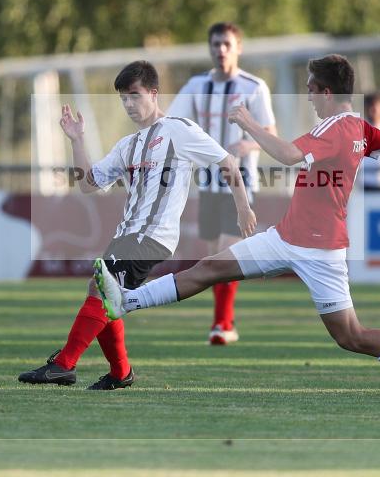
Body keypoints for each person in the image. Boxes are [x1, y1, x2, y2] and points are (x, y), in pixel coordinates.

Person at [95, 55, 380, 398]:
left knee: (351, 336)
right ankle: (126, 301)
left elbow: (289, 155)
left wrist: (248, 123)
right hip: (285, 238)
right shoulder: (359, 127)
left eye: (310, 89)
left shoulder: (336, 127)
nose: (308, 96)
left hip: (321, 252)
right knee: (209, 268)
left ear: (326, 92)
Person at [18, 61, 256, 390]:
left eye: (134, 95)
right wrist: (76, 140)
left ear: (153, 93)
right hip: (127, 234)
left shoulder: (178, 129)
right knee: (102, 293)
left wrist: (243, 208)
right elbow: (88, 184)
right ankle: (120, 373)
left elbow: (227, 161)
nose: (128, 104)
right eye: (123, 98)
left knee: (103, 292)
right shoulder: (127, 145)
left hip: (153, 235)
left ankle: (64, 365)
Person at [166, 22, 276, 345]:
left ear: (238, 47)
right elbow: (172, 123)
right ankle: (225, 321)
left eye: (227, 44)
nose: (221, 50)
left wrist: (249, 143)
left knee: (227, 253)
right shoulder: (196, 85)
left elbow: (271, 134)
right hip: (207, 184)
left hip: (240, 184)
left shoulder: (254, 86)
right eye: (216, 44)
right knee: (214, 255)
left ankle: (221, 324)